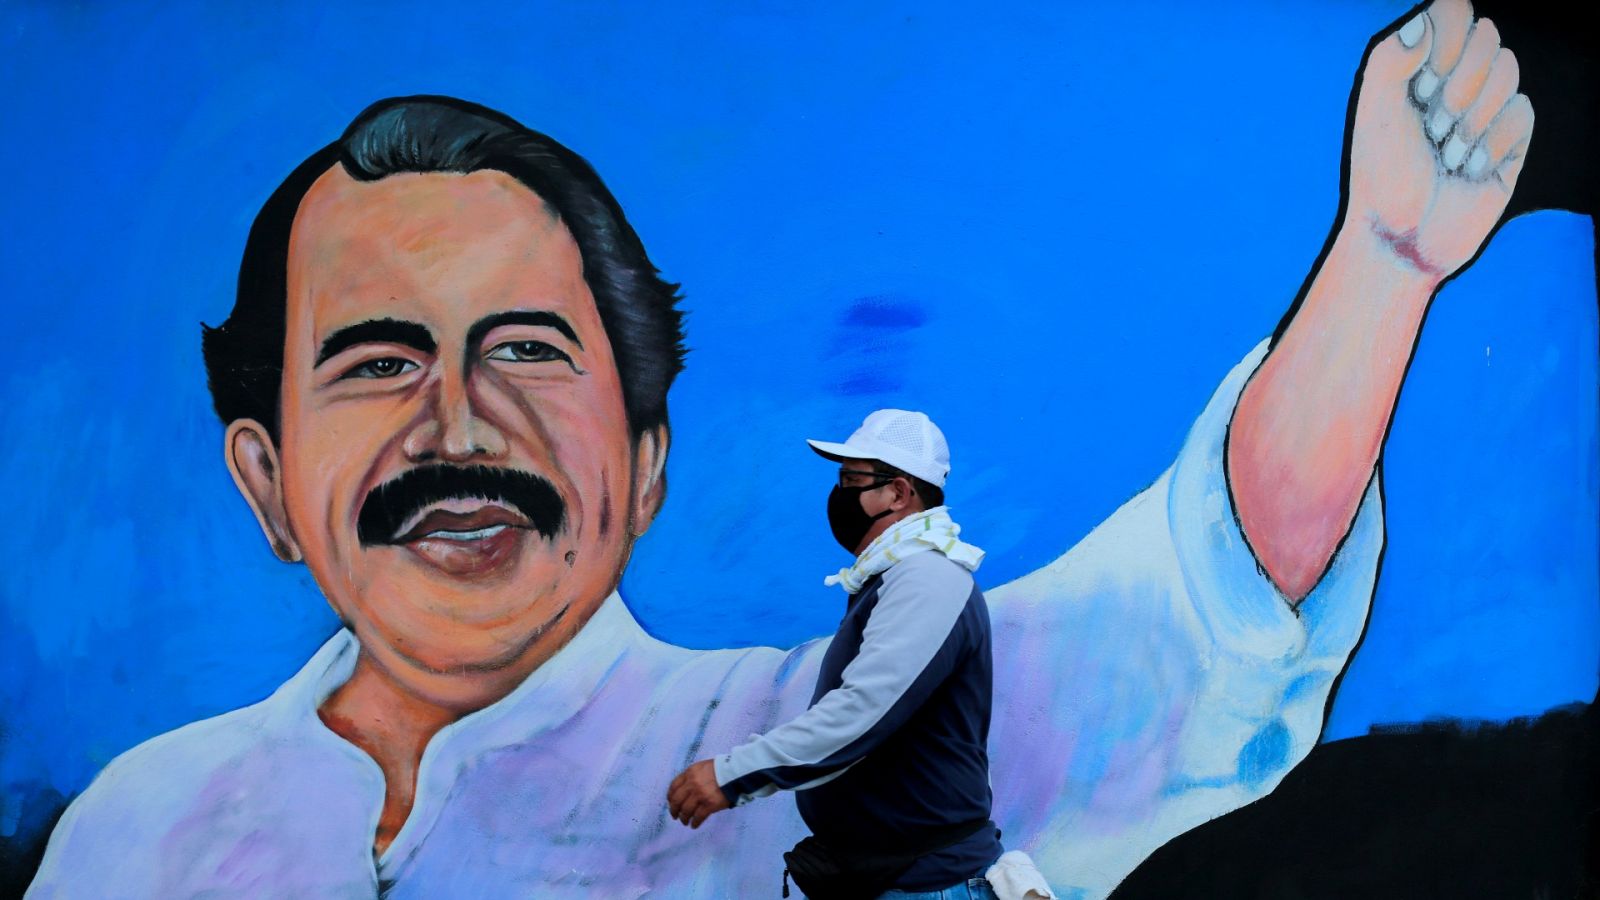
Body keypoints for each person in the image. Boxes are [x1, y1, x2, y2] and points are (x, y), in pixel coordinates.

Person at [25, 2, 1534, 897]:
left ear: (649, 460)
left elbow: (1179, 634)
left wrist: (1383, 269)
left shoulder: (822, 742)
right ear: (267, 479)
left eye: (529, 351)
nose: (458, 425)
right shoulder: (133, 832)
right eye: (376, 361)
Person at [669, 409, 1003, 898]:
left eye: (852, 479)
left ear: (899, 492)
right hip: (886, 877)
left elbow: (862, 715)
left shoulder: (928, 579)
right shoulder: (895, 577)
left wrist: (732, 775)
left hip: (928, 885)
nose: (838, 493)